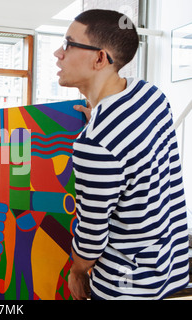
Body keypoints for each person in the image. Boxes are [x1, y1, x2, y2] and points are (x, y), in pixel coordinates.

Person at [54, 10, 190, 300]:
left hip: (124, 285)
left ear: (99, 58)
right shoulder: (150, 95)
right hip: (169, 266)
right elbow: (135, 150)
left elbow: (91, 238)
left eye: (68, 44)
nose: (58, 53)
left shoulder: (95, 144)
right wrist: (101, 121)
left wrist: (77, 271)